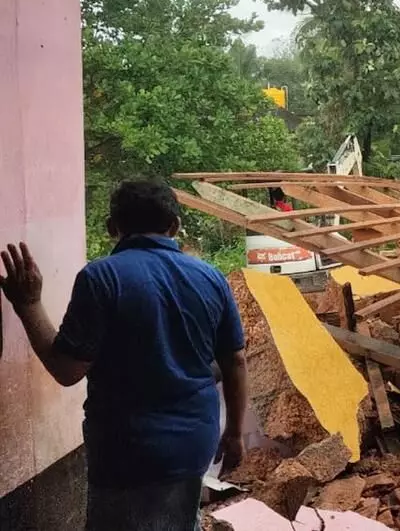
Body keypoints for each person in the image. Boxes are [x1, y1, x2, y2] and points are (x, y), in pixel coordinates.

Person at [0, 179, 248, 531]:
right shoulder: (211, 278)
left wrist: (28, 305)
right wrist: (234, 433)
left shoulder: (101, 278)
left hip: (126, 451)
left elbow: (67, 370)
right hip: (194, 443)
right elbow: (235, 361)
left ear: (111, 227)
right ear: (174, 226)